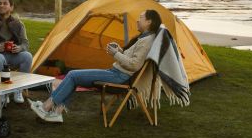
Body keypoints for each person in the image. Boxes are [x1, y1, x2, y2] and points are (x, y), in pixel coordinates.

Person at [28, 9, 162, 123]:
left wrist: (115, 54)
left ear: (149, 22)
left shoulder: (146, 41)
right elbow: (132, 58)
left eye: (141, 18)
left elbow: (134, 65)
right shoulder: (144, 37)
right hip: (117, 73)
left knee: (72, 75)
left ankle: (46, 107)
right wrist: (120, 51)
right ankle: (57, 112)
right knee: (74, 77)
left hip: (119, 76)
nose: (137, 20)